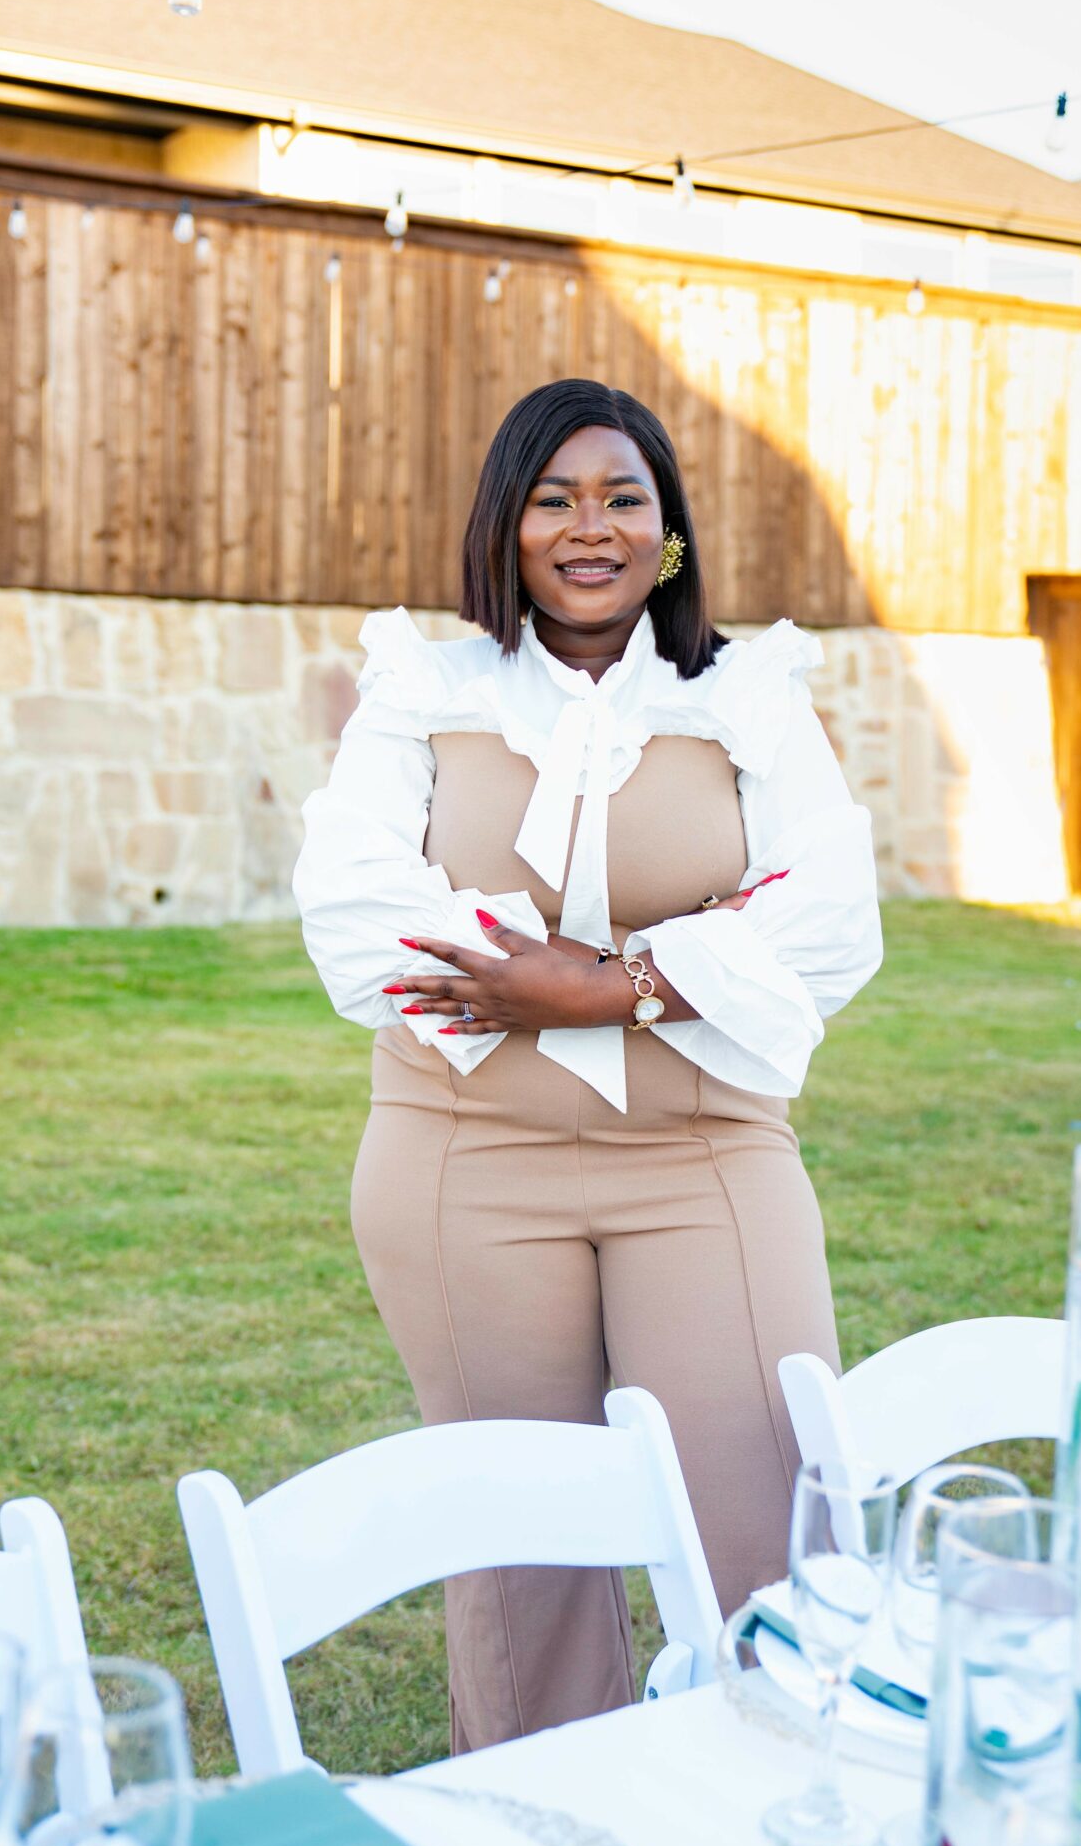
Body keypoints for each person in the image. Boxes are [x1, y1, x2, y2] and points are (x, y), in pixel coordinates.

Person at [294, 377, 882, 1753]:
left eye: (624, 497)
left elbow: (833, 920)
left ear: (669, 532)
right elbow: (358, 912)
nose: (589, 528)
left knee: (772, 1527)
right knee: (523, 1558)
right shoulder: (422, 691)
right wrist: (706, 946)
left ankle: (785, 1842)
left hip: (707, 1155)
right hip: (465, 1164)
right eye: (554, 499)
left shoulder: (749, 698)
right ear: (506, 528)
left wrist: (603, 984)